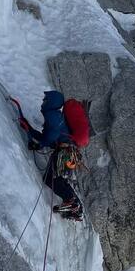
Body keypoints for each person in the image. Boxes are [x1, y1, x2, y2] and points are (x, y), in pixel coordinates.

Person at [20, 90, 83, 221]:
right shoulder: (55, 115)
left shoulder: (53, 116)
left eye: (45, 99)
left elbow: (50, 137)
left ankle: (72, 203)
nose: (43, 102)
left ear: (51, 102)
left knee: (51, 179)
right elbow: (47, 136)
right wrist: (30, 129)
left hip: (64, 152)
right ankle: (76, 206)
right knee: (58, 179)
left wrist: (38, 143)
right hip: (68, 152)